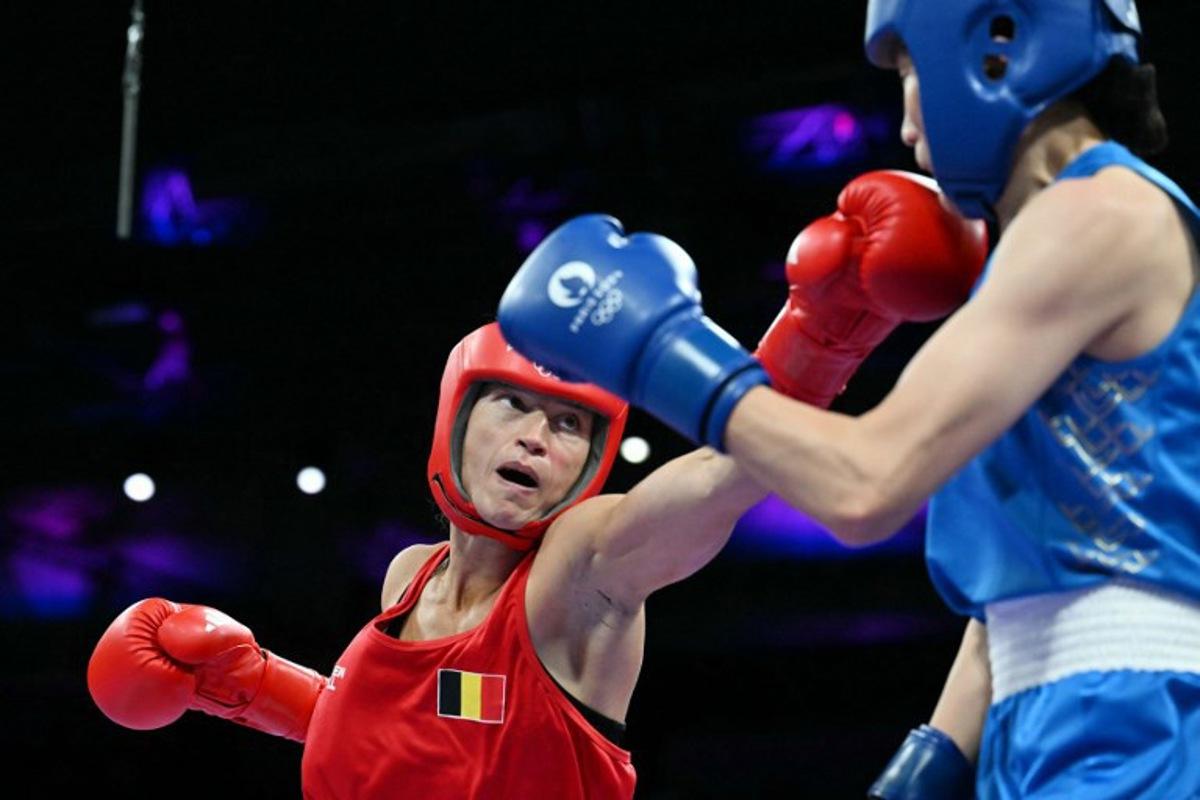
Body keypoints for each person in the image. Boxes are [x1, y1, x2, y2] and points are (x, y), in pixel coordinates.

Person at [494, 0, 1200, 796]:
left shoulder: (1100, 213)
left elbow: (867, 485)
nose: (905, 123)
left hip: (1136, 719)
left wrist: (658, 350)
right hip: (1049, 721)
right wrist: (926, 766)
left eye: (908, 71)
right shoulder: (1055, 242)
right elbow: (1032, 579)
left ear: (1001, 46)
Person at [87, 321, 768, 799]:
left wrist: (822, 333)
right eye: (515, 405)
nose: (536, 438)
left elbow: (721, 479)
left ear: (589, 461)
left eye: (569, 424)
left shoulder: (579, 577)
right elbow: (434, 723)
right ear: (459, 417)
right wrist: (246, 686)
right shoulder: (411, 576)